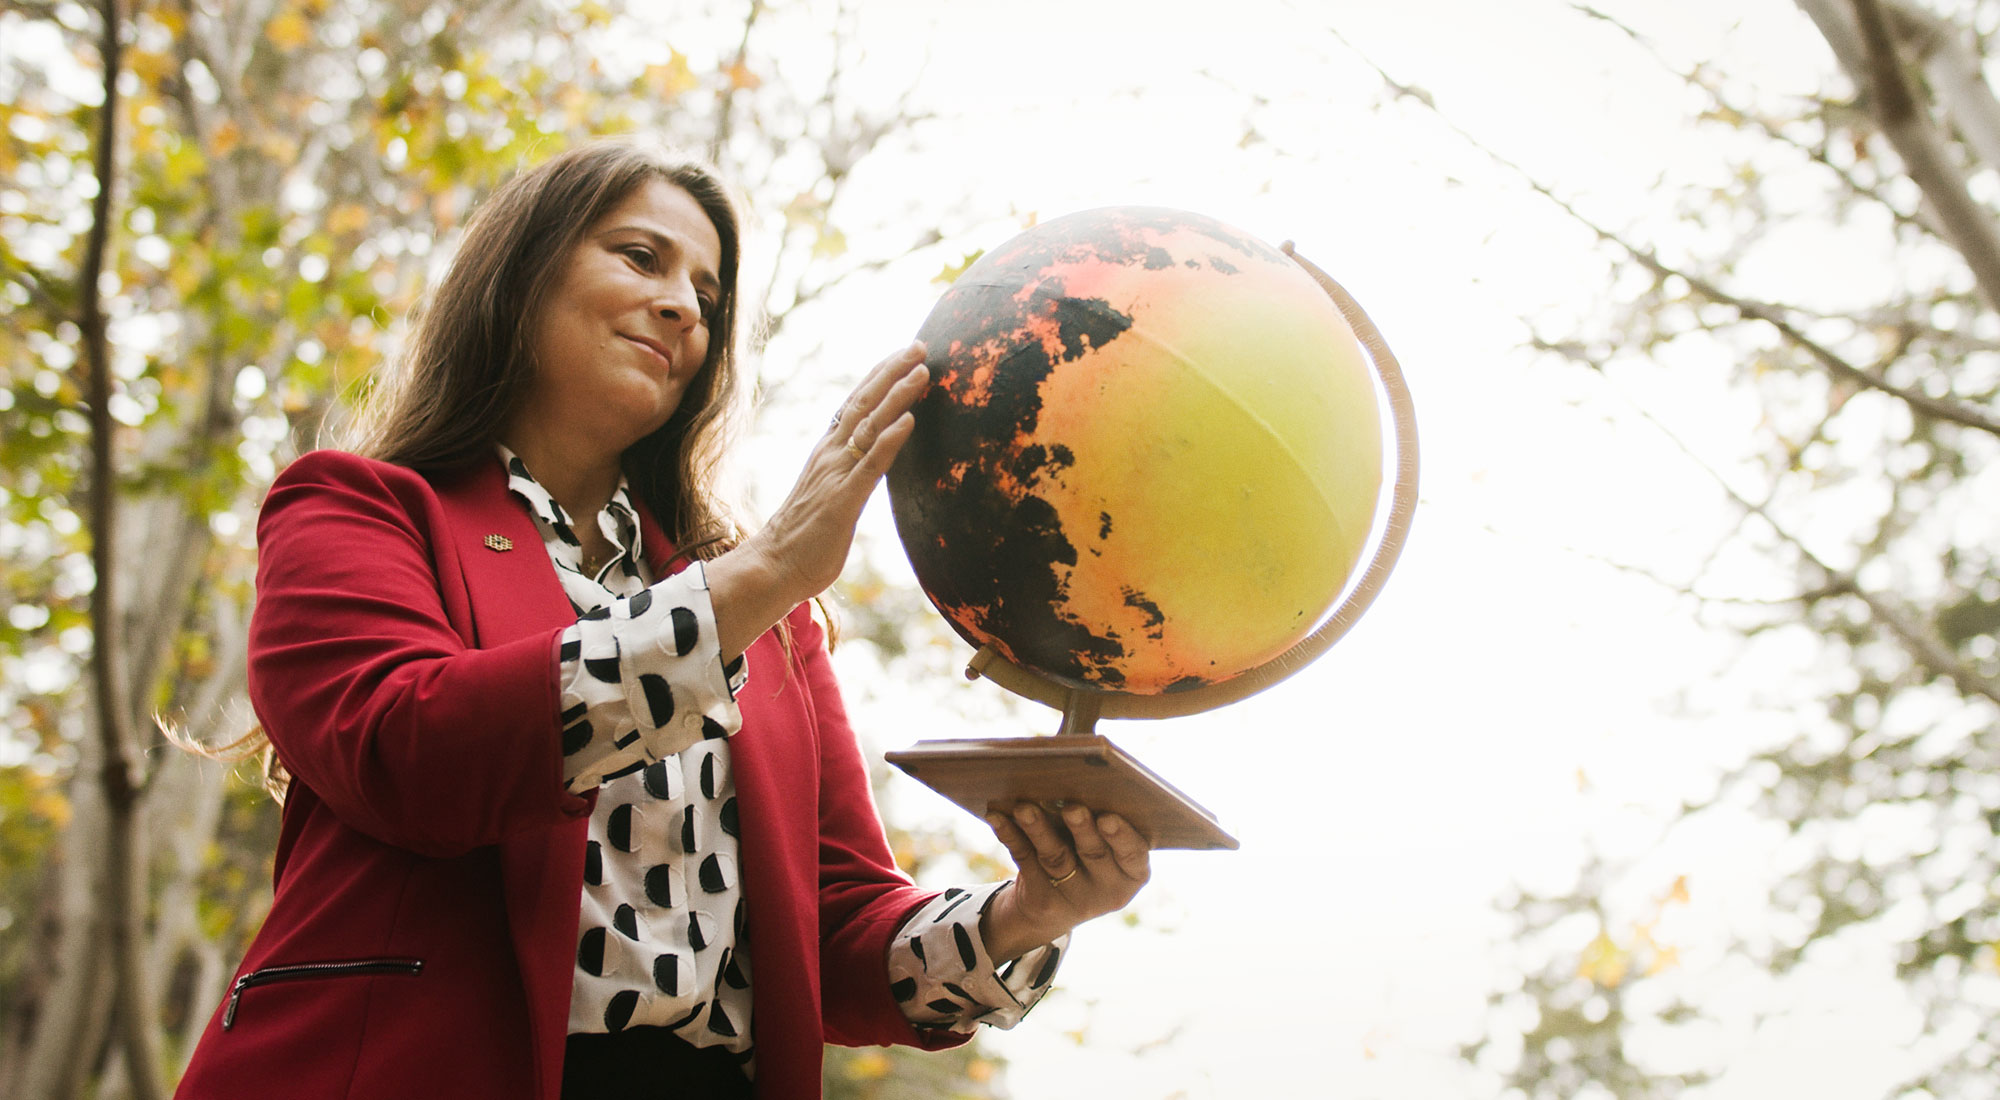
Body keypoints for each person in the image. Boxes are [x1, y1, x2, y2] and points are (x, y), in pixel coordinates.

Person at [172, 140, 1151, 1100]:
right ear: (520, 275)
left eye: (709, 296)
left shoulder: (767, 617)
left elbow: (834, 929)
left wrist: (1020, 914)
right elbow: (409, 748)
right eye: (640, 257)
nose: (683, 304)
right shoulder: (358, 505)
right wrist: (762, 574)